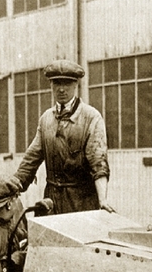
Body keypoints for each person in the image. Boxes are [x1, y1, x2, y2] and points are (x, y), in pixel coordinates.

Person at [13, 59, 114, 215]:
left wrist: (103, 200)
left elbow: (98, 162)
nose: (61, 89)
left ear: (76, 85)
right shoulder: (46, 119)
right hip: (51, 202)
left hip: (81, 204)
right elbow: (31, 159)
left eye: (66, 84)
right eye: (57, 83)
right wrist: (13, 188)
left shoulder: (91, 117)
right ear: (51, 86)